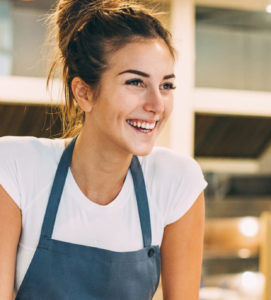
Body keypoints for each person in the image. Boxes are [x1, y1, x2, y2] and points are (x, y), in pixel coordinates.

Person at [0, 0, 207, 299]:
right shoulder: (15, 170)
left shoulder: (176, 182)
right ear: (84, 93)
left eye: (166, 85)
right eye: (136, 82)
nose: (157, 105)